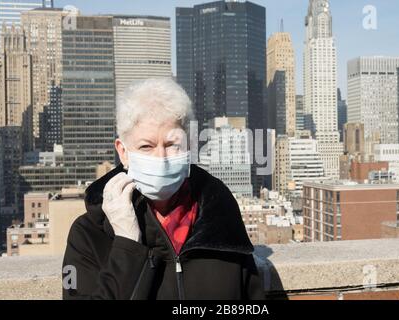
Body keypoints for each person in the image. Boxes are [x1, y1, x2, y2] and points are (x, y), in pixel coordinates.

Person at [62, 78, 265, 300]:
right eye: (146, 146)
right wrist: (127, 245)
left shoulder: (221, 218)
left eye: (172, 145)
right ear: (123, 152)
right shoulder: (89, 233)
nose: (162, 158)